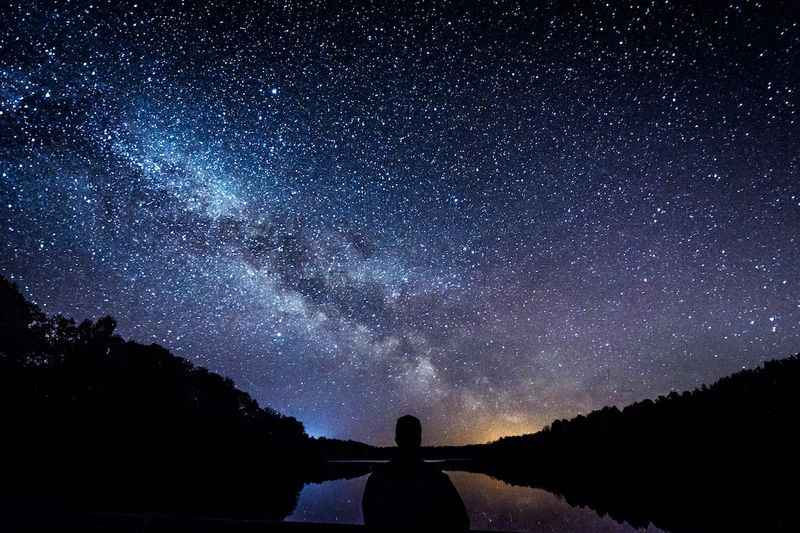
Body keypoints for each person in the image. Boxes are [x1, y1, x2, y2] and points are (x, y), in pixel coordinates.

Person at [362, 415, 469, 531]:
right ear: (419, 439)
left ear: (397, 439)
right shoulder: (438, 478)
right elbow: (462, 521)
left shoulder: (377, 478)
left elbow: (370, 518)